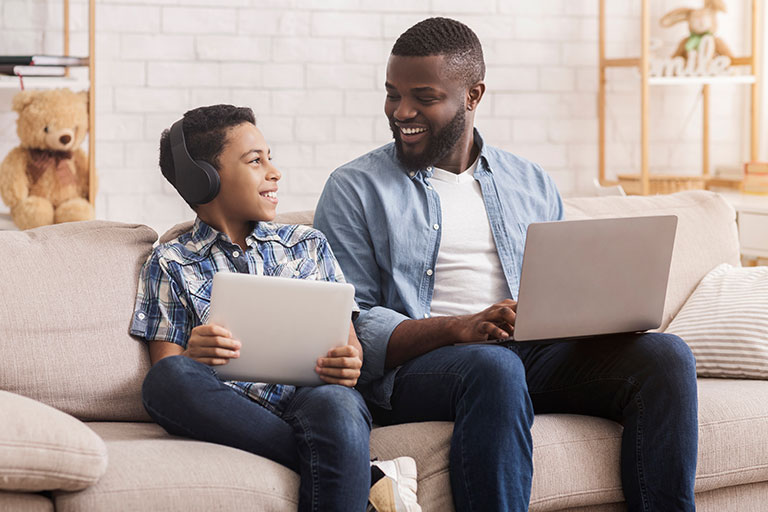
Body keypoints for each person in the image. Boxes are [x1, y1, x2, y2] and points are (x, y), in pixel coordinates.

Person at [314, 17, 698, 512]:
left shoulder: (530, 181)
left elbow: (565, 290)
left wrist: (599, 315)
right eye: (392, 94)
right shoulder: (354, 188)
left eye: (423, 97)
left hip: (528, 355)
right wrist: (460, 328)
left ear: (472, 96)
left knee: (666, 357)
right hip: (419, 370)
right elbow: (353, 324)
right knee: (493, 366)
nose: (401, 111)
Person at [130, 104, 419, 512]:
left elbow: (349, 349)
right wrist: (195, 355)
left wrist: (348, 364)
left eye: (271, 158)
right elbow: (169, 370)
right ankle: (366, 474)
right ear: (204, 179)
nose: (274, 172)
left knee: (337, 405)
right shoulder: (170, 262)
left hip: (311, 399)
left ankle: (338, 454)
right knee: (166, 380)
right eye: (255, 161)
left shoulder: (307, 245)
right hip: (229, 405)